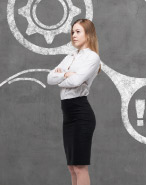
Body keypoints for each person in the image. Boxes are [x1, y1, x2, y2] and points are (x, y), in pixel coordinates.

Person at [47, 18, 102, 185]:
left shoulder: (92, 57)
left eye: (78, 32)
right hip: (68, 116)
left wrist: (63, 78)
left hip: (80, 114)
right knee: (72, 167)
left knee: (79, 166)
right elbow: (50, 78)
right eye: (72, 32)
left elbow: (76, 82)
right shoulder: (71, 56)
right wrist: (65, 75)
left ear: (88, 34)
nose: (74, 35)